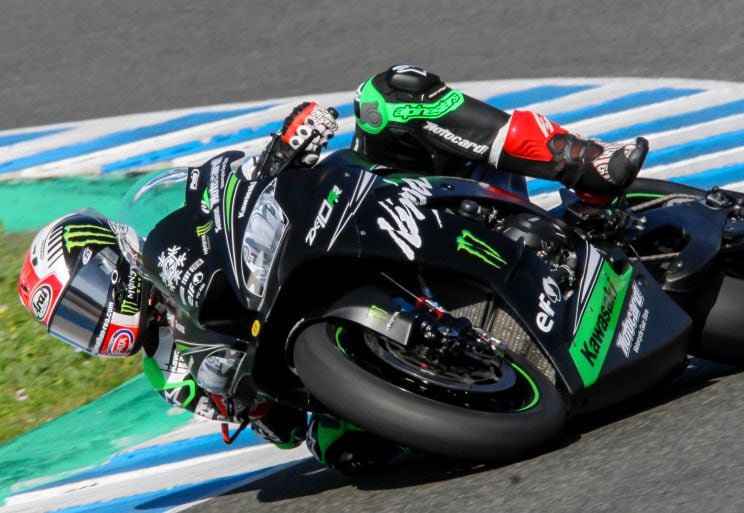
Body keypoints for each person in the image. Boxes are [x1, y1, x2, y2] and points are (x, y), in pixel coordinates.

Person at [18, 65, 648, 474]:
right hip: (323, 336)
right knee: (352, 454)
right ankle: (472, 371)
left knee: (387, 95)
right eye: (72, 325)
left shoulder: (170, 225)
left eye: (84, 299)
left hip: (357, 210)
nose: (92, 322)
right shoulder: (170, 374)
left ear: (111, 260)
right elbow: (282, 428)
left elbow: (229, 183)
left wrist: (283, 149)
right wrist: (260, 409)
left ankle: (583, 164)